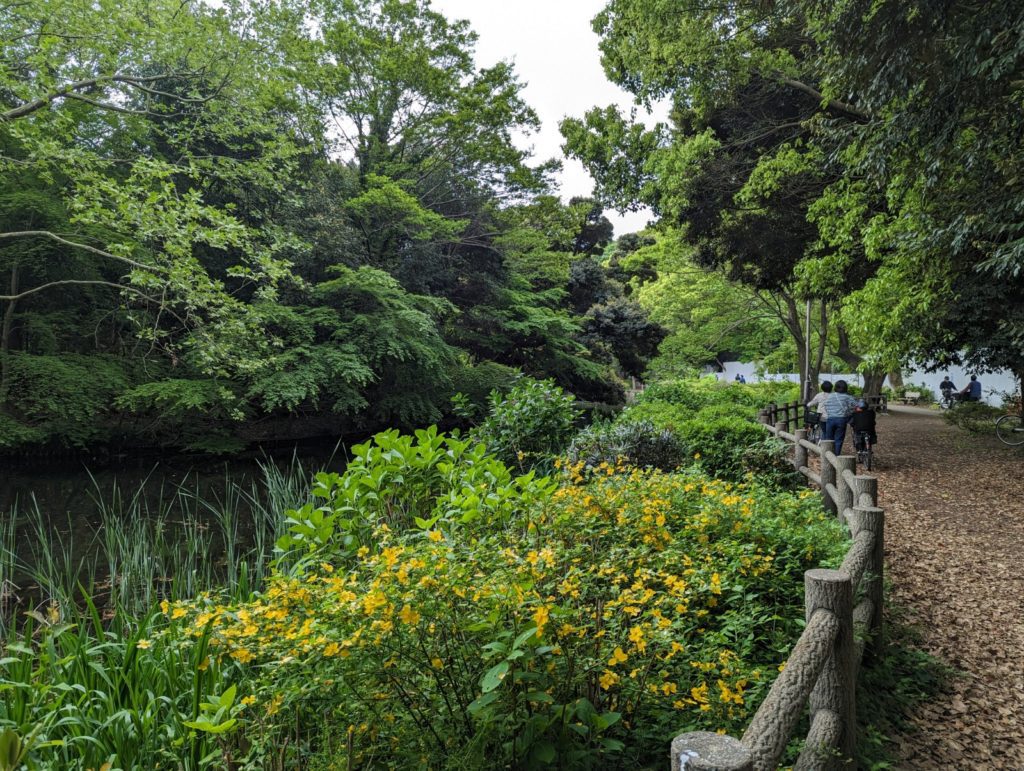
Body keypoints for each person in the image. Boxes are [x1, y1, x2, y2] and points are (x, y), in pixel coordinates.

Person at [822, 380, 858, 455]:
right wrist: (849, 410)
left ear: (835, 387)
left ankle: (828, 456)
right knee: (838, 440)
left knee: (829, 440)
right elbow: (856, 405)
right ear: (845, 388)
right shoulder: (847, 397)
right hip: (841, 420)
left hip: (830, 419)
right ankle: (836, 457)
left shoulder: (830, 396)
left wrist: (831, 412)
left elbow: (825, 405)